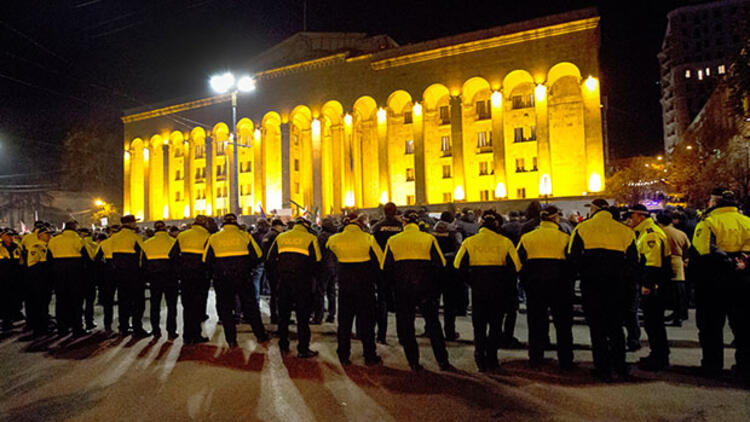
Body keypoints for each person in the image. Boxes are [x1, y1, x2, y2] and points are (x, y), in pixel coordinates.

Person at [568, 199, 639, 381]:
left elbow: (573, 258)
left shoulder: (582, 229)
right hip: (617, 285)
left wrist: (583, 273)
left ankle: (602, 367)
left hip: (592, 284)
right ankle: (620, 364)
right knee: (616, 326)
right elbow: (633, 261)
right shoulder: (625, 231)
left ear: (594, 210)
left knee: (597, 327)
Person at [382, 210, 452, 371]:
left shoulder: (393, 240)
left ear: (404, 222)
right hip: (426, 288)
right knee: (433, 324)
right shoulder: (429, 238)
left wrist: (392, 288)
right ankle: (442, 360)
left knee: (407, 326)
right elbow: (440, 263)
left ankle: (413, 361)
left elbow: (386, 267)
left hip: (403, 289)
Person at [692, 188, 750, 380]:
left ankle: (712, 366)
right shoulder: (747, 222)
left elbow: (704, 250)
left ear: (715, 203)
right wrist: (741, 262)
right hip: (742, 282)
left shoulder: (709, 223)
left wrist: (727, 261)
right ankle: (744, 367)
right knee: (742, 327)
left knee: (710, 327)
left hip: (713, 283)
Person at [454, 214, 520, 371]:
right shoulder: (505, 242)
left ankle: (480, 357)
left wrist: (471, 281)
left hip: (478, 290)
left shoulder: (469, 242)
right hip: (498, 290)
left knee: (479, 326)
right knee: (496, 325)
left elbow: (458, 265)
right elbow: (516, 267)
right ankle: (492, 358)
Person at [517, 206, 575, 370]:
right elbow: (572, 262)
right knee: (563, 324)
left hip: (535, 285)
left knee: (536, 322)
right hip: (560, 285)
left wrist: (526, 280)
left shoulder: (527, 238)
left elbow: (518, 261)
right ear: (555, 218)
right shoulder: (565, 238)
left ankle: (536, 357)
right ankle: (565, 360)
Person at [325, 213, 383, 365]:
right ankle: (369, 355)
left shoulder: (334, 239)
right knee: (366, 322)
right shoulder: (368, 238)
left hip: (345, 284)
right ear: (359, 223)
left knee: (344, 322)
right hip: (365, 285)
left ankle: (343, 355)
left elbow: (327, 249)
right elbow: (381, 260)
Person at [204, 214, 268, 348]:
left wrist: (216, 270)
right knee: (251, 307)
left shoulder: (214, 238)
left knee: (226, 309)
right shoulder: (245, 236)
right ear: (236, 224)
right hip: (243, 277)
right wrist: (247, 266)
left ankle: (231, 340)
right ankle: (260, 335)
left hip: (222, 278)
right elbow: (258, 255)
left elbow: (206, 260)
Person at [266, 217, 321, 358]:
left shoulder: (281, 237)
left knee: (283, 315)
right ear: (306, 227)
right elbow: (318, 261)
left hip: (284, 281)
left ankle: (283, 345)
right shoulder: (310, 238)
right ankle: (303, 348)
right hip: (303, 283)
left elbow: (270, 258)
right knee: (302, 317)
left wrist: (279, 273)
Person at [626, 204, 672, 371]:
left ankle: (659, 357)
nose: (629, 219)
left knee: (654, 323)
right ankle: (658, 354)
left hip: (654, 287)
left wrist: (647, 285)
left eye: (632, 215)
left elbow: (653, 264)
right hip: (653, 285)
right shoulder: (645, 232)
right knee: (653, 323)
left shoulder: (650, 234)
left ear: (640, 216)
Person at [46, 221, 88, 337]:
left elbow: (48, 259)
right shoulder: (78, 240)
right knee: (76, 302)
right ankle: (77, 328)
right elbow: (87, 258)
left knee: (61, 302)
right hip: (75, 274)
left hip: (59, 274)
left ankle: (62, 328)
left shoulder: (54, 240)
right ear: (74, 228)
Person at [174, 215, 211, 344]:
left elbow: (172, 255)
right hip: (200, 276)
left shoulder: (182, 235)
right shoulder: (207, 236)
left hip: (185, 276)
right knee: (197, 306)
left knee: (187, 306)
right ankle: (195, 335)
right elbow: (210, 258)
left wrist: (181, 268)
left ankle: (187, 334)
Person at [110, 215, 148, 337]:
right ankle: (137, 328)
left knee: (123, 301)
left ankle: (124, 327)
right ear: (131, 223)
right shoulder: (135, 237)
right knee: (137, 302)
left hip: (119, 274)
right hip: (134, 274)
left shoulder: (114, 237)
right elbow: (143, 255)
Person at [370, 202, 402, 344]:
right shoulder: (402, 227)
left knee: (381, 302)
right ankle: (403, 336)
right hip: (399, 268)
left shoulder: (377, 227)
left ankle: (381, 335)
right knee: (402, 304)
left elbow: (371, 248)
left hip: (381, 269)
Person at [142, 221, 179, 339]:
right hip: (170, 277)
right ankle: (171, 331)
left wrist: (146, 278)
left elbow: (143, 263)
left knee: (155, 304)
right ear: (165, 229)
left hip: (154, 278)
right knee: (171, 305)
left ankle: (156, 330)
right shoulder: (173, 242)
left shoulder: (147, 243)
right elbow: (178, 261)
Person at [657, 211, 691, 326]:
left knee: (664, 292)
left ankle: (664, 316)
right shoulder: (680, 233)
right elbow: (688, 248)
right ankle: (679, 316)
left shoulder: (659, 232)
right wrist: (685, 260)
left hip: (664, 263)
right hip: (678, 263)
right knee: (679, 293)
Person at [433, 211, 463, 341]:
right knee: (449, 305)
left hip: (434, 272)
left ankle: (431, 330)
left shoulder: (432, 234)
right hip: (450, 272)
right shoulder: (454, 234)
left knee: (433, 304)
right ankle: (449, 332)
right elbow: (458, 252)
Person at [24, 226, 52, 336]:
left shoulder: (47, 245)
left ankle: (44, 324)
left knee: (44, 302)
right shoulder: (36, 246)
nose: (49, 236)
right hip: (39, 278)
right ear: (40, 235)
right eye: (46, 234)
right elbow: (34, 264)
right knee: (39, 303)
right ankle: (40, 327)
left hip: (45, 278)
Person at [313, 217, 338, 324]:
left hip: (323, 267)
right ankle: (332, 315)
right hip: (335, 267)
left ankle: (318, 317)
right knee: (331, 292)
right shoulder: (336, 237)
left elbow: (317, 252)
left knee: (320, 292)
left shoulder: (321, 237)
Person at [262, 218, 286, 324]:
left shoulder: (267, 235)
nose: (283, 228)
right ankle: (278, 316)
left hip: (268, 266)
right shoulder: (276, 236)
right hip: (276, 267)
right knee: (278, 293)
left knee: (273, 292)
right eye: (282, 226)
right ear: (277, 226)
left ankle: (274, 315)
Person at [94, 228, 117, 332]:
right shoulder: (126, 241)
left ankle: (108, 323)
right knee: (126, 299)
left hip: (109, 271)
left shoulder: (104, 243)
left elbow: (97, 259)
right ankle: (125, 325)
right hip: (124, 271)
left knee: (109, 300)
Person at [1, 228, 22, 331]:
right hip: (3, 280)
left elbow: (22, 262)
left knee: (15, 299)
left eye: (12, 235)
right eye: (8, 235)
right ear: (2, 236)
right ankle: (6, 321)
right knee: (5, 301)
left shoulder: (17, 247)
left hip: (16, 279)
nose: (11, 237)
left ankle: (15, 315)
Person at [79, 228, 99, 331]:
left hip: (77, 277)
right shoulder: (94, 245)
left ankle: (77, 324)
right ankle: (89, 322)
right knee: (89, 301)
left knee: (77, 302)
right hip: (90, 277)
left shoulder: (76, 243)